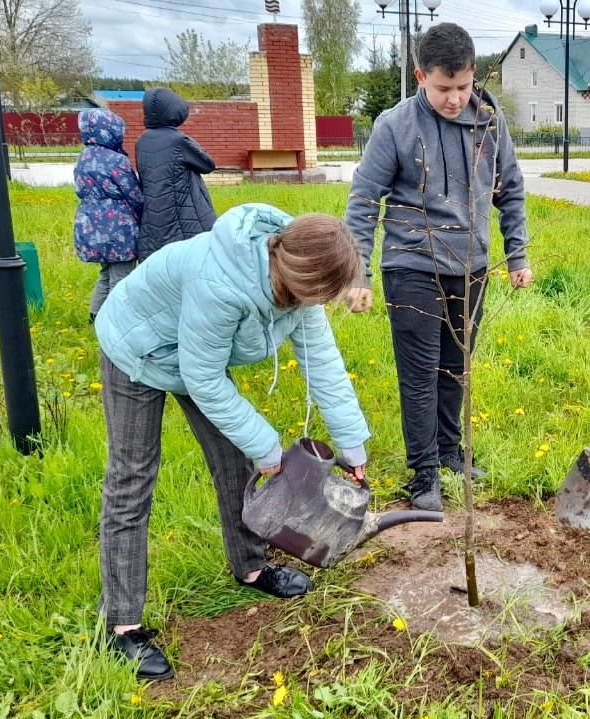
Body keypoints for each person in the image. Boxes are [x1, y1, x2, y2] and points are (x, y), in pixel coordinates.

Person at [93, 203, 370, 681]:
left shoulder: (300, 283)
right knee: (132, 478)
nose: (318, 305)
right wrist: (269, 448)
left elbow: (322, 362)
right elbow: (202, 378)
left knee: (234, 461)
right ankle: (122, 624)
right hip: (137, 346)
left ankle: (251, 567)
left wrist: (352, 445)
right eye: (316, 296)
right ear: (292, 276)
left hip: (195, 353)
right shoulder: (221, 284)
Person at [343, 23, 532, 512]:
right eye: (443, 88)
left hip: (471, 267)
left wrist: (517, 255)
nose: (454, 99)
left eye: (463, 86)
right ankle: (423, 473)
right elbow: (364, 199)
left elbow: (509, 188)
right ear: (420, 75)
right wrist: (357, 270)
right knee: (421, 373)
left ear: (473, 76)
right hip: (412, 265)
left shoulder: (490, 121)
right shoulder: (395, 126)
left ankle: (450, 451)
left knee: (455, 369)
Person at [72, 108, 142, 323]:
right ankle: (115, 321)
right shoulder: (116, 160)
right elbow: (133, 193)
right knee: (122, 276)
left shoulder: (83, 157)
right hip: (116, 226)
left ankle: (95, 316)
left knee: (105, 273)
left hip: (89, 223)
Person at [134, 87, 216, 261]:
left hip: (153, 219)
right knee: (191, 262)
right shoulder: (178, 141)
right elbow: (208, 164)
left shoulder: (142, 141)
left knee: (162, 266)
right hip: (184, 216)